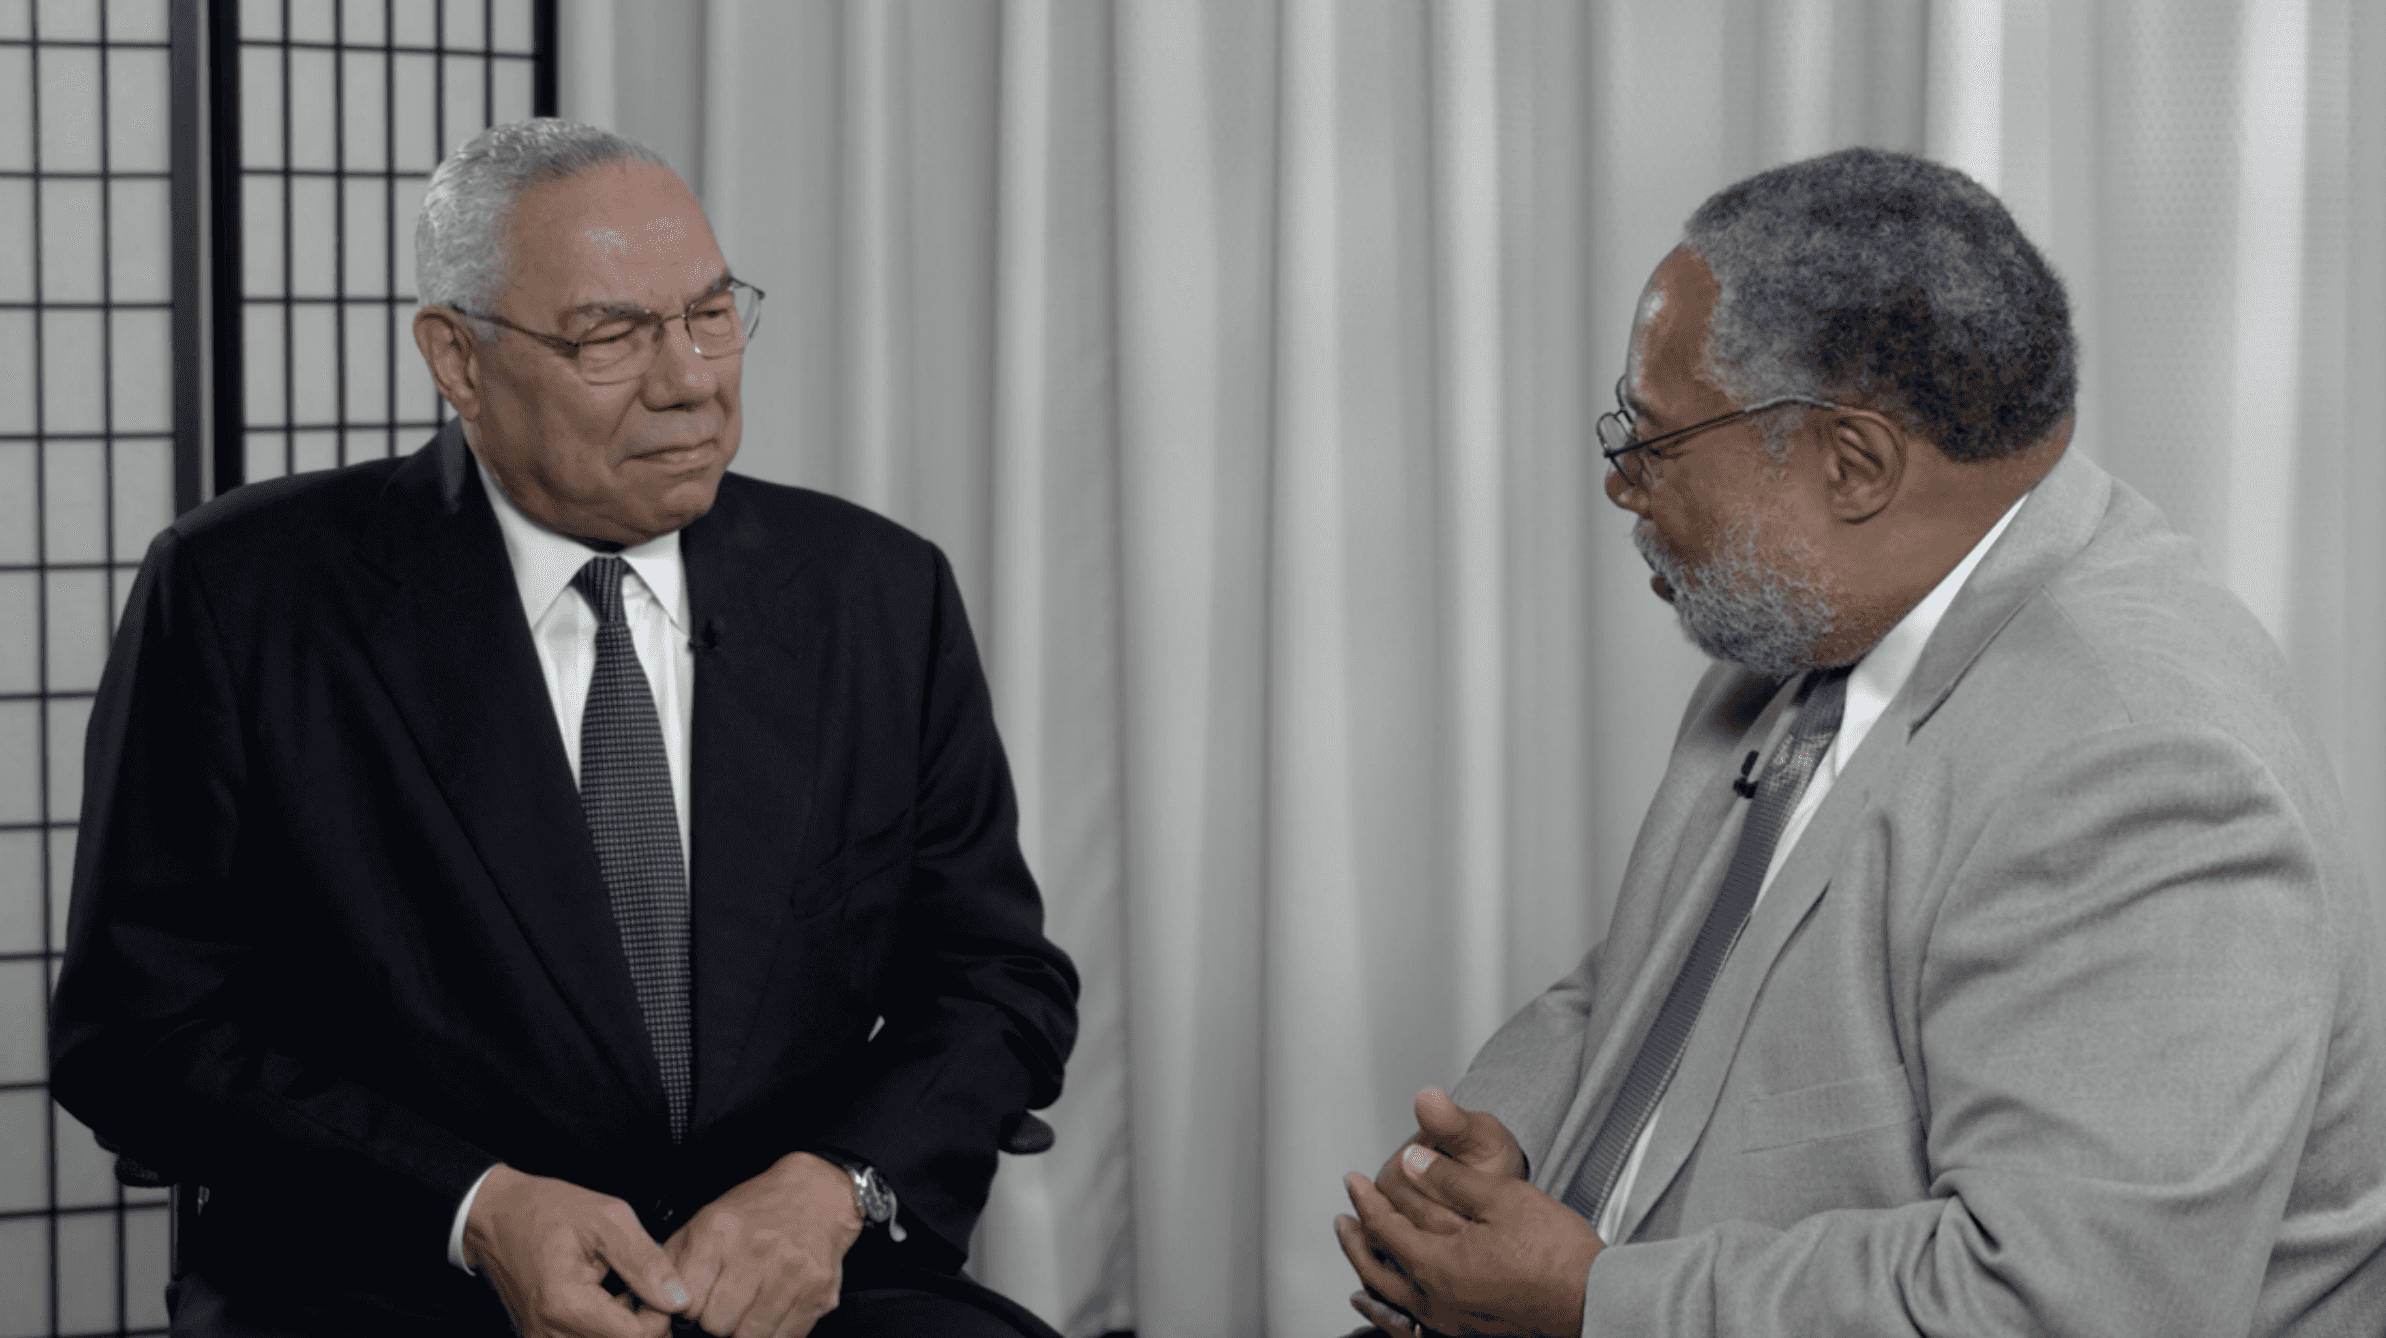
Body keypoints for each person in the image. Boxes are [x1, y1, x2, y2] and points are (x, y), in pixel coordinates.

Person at [51, 119, 1078, 1338]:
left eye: (710, 312)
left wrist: (835, 1188)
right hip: (387, 1268)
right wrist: (473, 1206)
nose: (692, 376)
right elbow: (141, 1032)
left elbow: (996, 980)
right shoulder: (240, 595)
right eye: (611, 335)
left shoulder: (875, 593)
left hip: (792, 1280)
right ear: (458, 358)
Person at [1334, 148, 2386, 1337]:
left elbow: (2058, 1304)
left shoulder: (2145, 770)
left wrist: (1585, 1302)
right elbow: (1656, 966)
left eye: (1658, 441)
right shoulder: (1819, 603)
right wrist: (1500, 1146)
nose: (1624, 484)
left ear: (1853, 463)